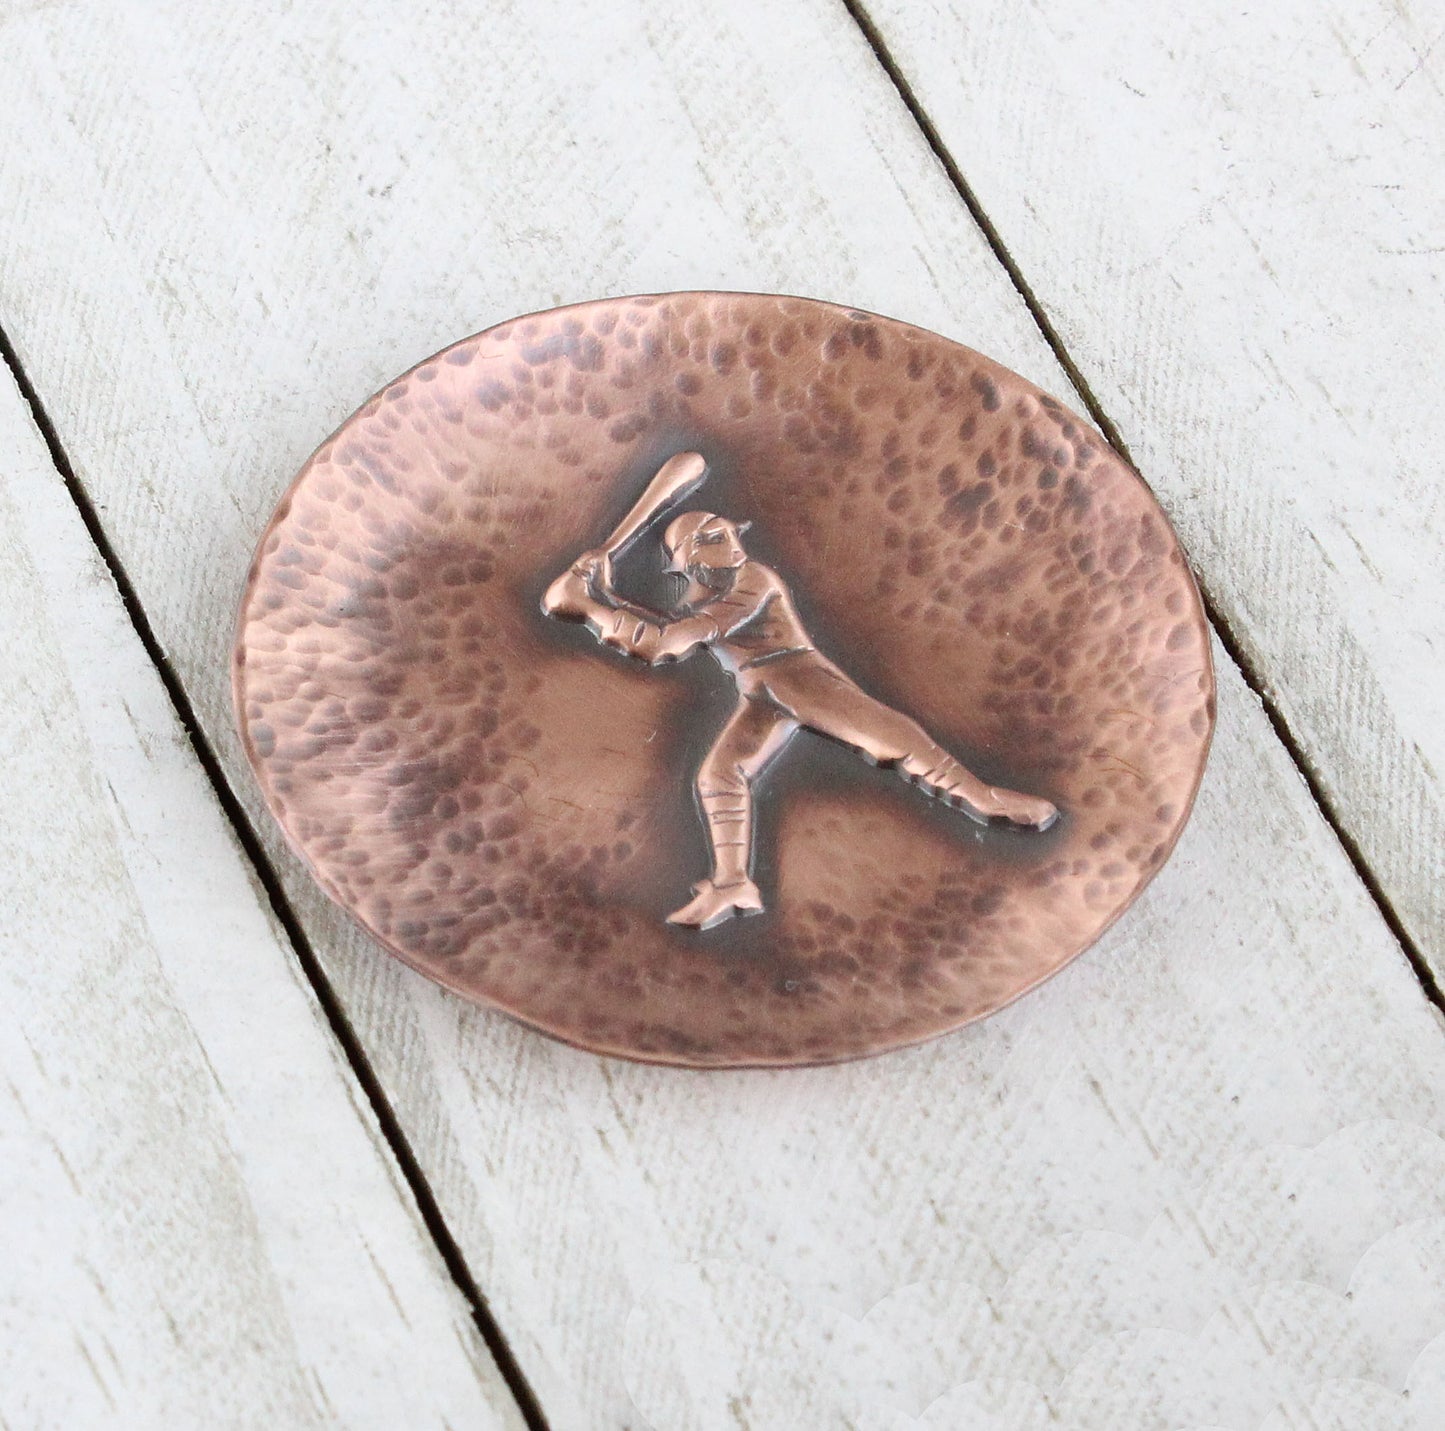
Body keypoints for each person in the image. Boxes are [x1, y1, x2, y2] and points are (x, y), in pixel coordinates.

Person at [544, 509, 1057, 930]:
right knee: (720, 776)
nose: (732, 540)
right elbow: (665, 629)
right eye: (715, 537)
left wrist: (589, 607)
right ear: (692, 560)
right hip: (763, 693)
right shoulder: (700, 595)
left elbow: (666, 644)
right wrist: (602, 594)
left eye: (728, 531)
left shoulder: (753, 580)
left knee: (893, 739)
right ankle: (731, 884)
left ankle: (983, 798)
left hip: (799, 679)